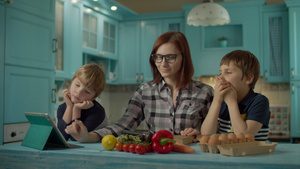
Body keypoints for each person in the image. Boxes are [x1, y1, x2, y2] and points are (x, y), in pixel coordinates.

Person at [65, 31, 214, 143]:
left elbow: (217, 134)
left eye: (170, 57)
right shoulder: (145, 91)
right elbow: (123, 126)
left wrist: (199, 135)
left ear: (184, 58)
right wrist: (88, 137)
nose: (163, 63)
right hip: (156, 159)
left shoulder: (205, 92)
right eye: (158, 57)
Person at [200, 50, 270, 141]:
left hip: (252, 155)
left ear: (248, 79)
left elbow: (244, 137)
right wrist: (217, 101)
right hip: (225, 154)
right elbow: (206, 134)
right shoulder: (220, 102)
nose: (221, 77)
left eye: (228, 72)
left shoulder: (260, 101)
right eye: (221, 72)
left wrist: (232, 103)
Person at [57, 63, 106, 141]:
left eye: (87, 91)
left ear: (94, 97)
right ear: (72, 82)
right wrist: (69, 107)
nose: (79, 92)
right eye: (77, 85)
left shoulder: (97, 111)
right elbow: (62, 136)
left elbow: (76, 137)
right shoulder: (62, 108)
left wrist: (76, 109)